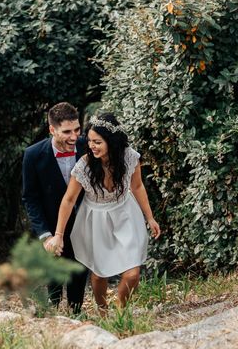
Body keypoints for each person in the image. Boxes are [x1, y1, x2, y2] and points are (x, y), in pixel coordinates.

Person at [48, 112, 161, 313]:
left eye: (97, 142)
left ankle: (120, 309)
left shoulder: (129, 157)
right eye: (90, 141)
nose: (92, 146)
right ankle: (102, 311)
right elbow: (69, 199)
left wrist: (150, 217)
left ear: (111, 141)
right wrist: (58, 235)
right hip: (95, 218)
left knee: (132, 274)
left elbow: (137, 187)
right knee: (99, 275)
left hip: (125, 214)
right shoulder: (85, 165)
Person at [22, 102, 89, 314]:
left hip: (83, 222)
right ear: (52, 130)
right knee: (53, 279)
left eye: (77, 130)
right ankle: (52, 315)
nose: (74, 136)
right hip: (51, 226)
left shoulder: (89, 146)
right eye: (67, 131)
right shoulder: (33, 155)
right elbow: (30, 198)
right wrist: (45, 235)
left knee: (78, 274)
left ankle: (76, 314)